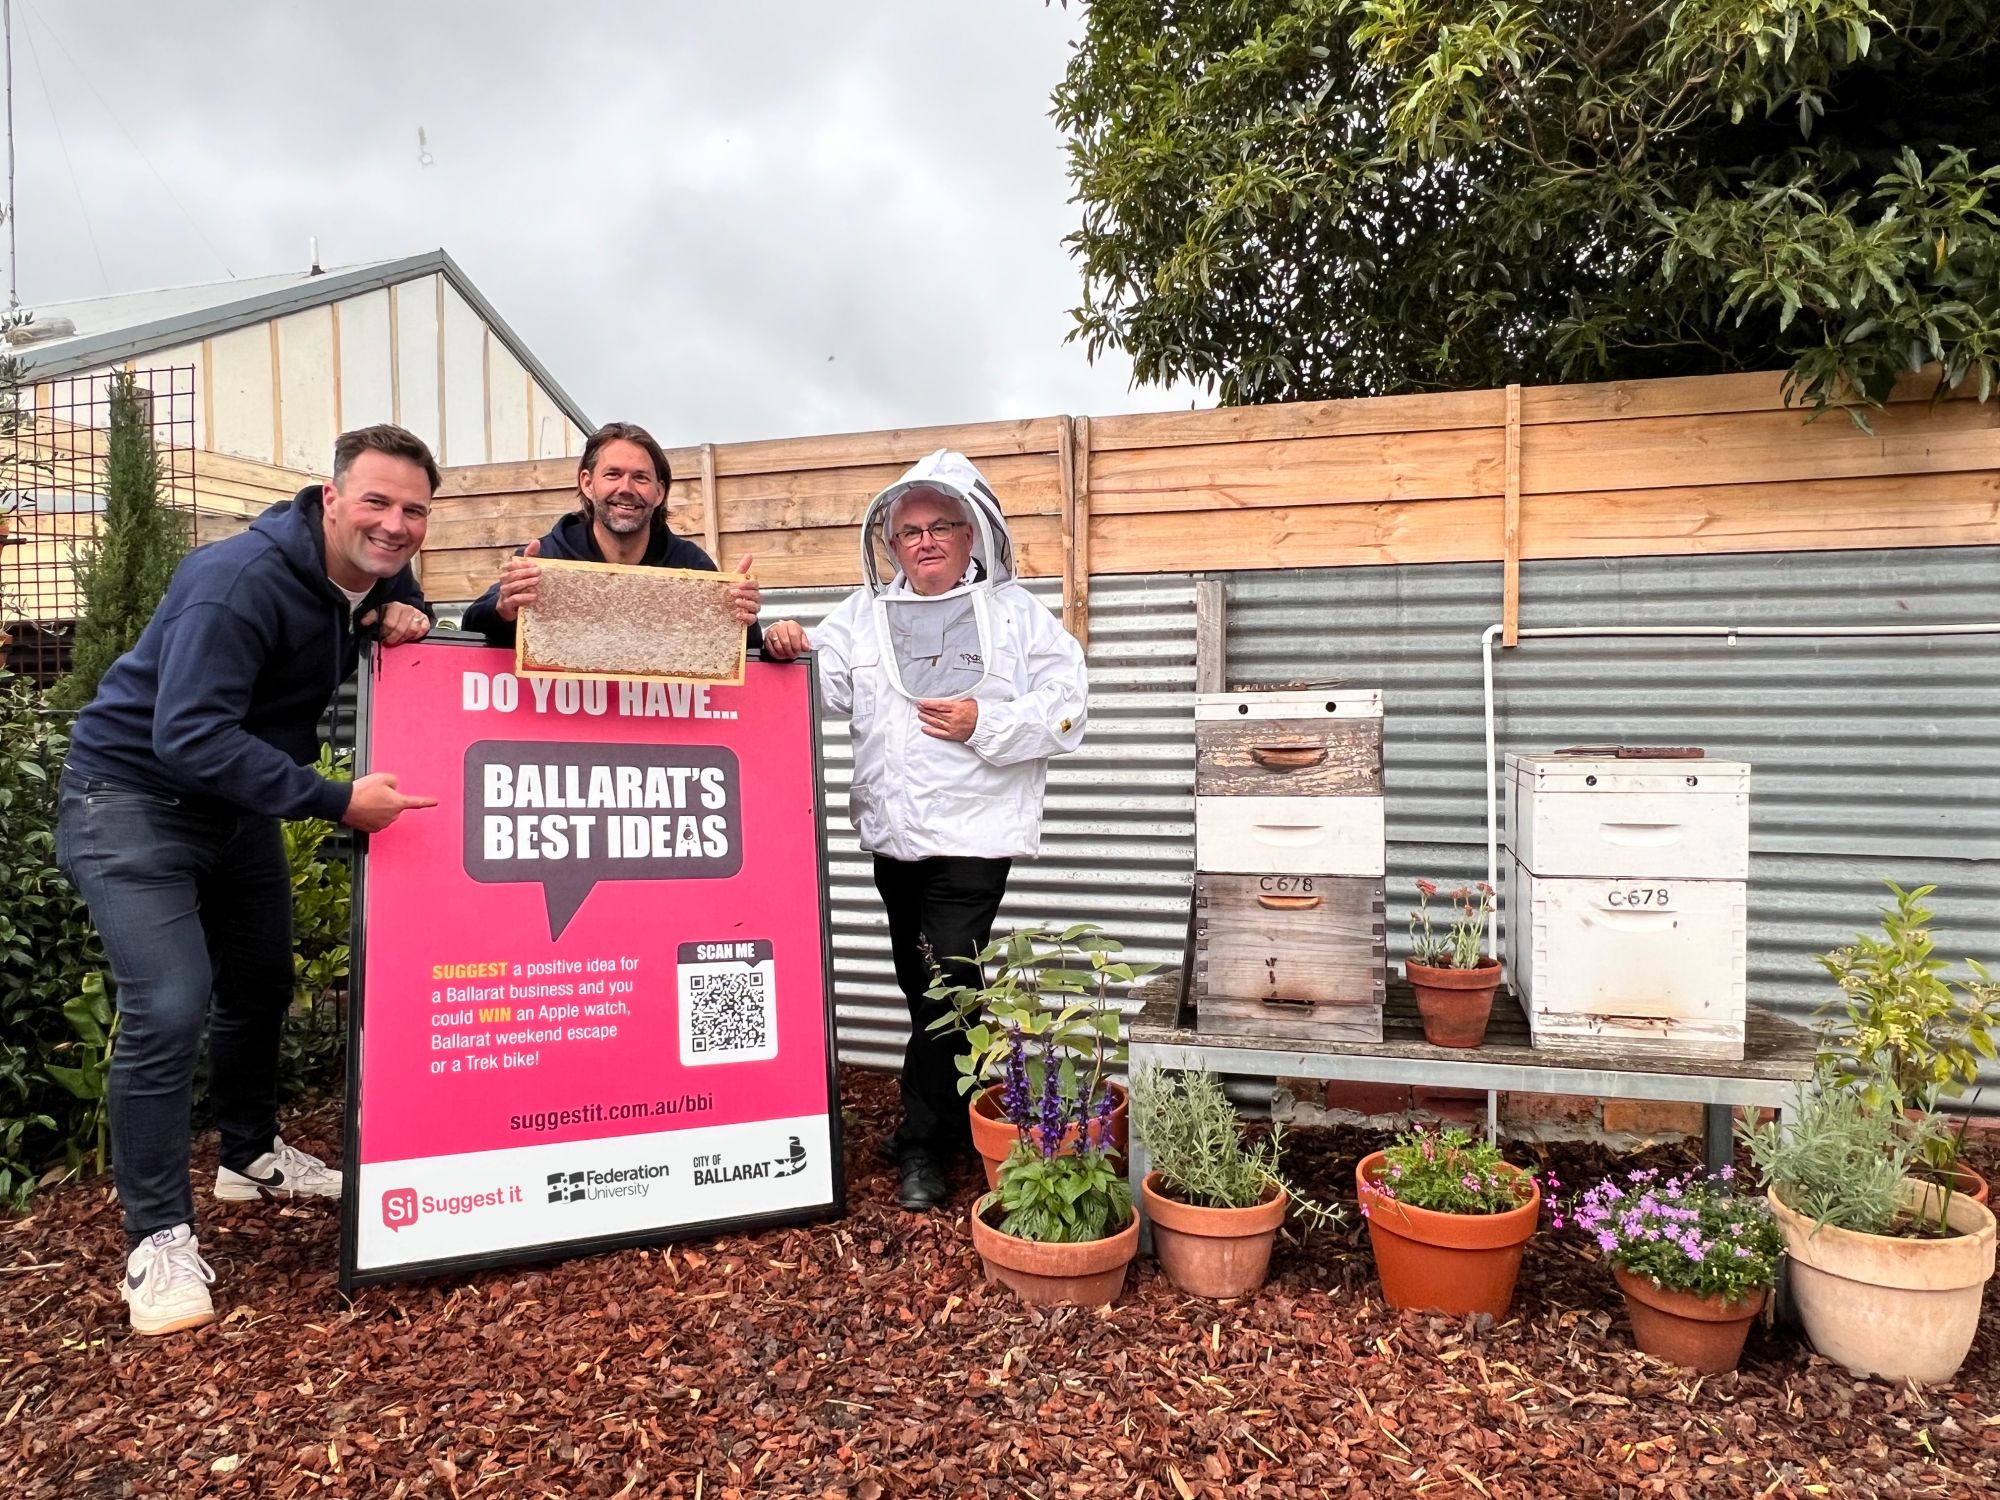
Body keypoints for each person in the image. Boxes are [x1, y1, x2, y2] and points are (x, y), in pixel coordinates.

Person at [57, 424, 444, 1336]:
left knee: (263, 982)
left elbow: (389, 576)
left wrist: (405, 605)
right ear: (329, 496)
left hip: (231, 808)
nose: (393, 525)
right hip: (131, 799)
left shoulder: (366, 565)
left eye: (414, 510)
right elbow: (186, 734)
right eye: (376, 502)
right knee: (170, 1003)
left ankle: (248, 1156)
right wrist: (332, 797)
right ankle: (157, 1239)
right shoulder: (235, 584)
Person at [763, 450, 1088, 1210]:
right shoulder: (863, 614)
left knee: (947, 975)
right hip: (894, 835)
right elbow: (828, 678)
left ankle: (922, 1145)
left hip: (974, 836)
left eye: (943, 525)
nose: (927, 540)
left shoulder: (1016, 616)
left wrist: (989, 722)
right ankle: (952, 1112)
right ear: (892, 544)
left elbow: (1069, 703)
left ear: (973, 534)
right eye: (910, 530)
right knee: (926, 984)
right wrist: (788, 644)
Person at [461, 421, 762, 645]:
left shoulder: (691, 565)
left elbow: (742, 651)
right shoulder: (546, 557)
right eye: (613, 474)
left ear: (659, 492)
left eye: (640, 478)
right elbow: (473, 626)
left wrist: (741, 616)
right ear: (587, 484)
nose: (626, 489)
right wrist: (504, 608)